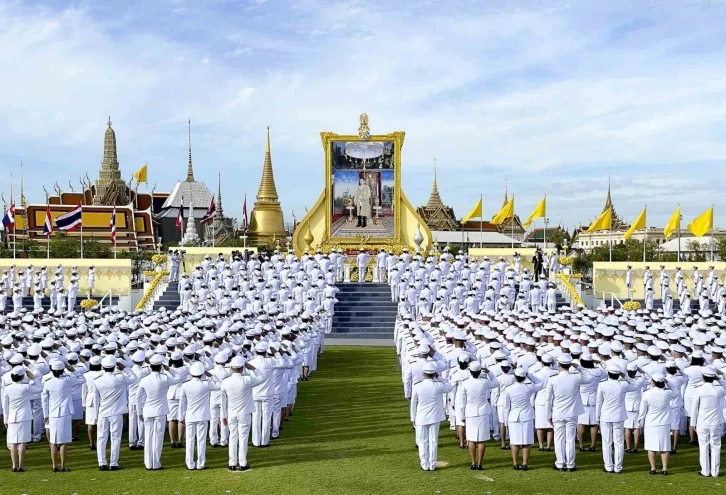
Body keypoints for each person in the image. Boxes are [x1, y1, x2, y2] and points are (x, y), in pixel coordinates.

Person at [546, 354, 597, 472]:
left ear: (559, 365)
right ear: (569, 365)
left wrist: (548, 414)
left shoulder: (553, 379)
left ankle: (560, 463)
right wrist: (578, 367)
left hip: (558, 412)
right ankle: (570, 464)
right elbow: (589, 377)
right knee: (570, 439)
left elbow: (548, 399)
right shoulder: (575, 377)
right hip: (572, 413)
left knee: (559, 439)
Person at [136, 354, 186, 471]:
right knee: (158, 438)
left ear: (150, 366)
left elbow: (138, 397)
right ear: (160, 367)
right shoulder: (164, 378)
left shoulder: (144, 379)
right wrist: (169, 369)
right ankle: (156, 463)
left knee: (148, 437)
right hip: (160, 411)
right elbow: (179, 378)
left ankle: (148, 464)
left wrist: (139, 412)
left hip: (147, 411)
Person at [221, 356, 264, 471]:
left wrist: (224, 415)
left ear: (231, 368)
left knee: (233, 437)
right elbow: (261, 378)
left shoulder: (225, 382)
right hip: (244, 413)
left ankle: (232, 463)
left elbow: (223, 401)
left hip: (231, 413)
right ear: (242, 368)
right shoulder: (247, 380)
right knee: (243, 438)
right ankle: (243, 463)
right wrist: (253, 368)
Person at [596, 362, 639, 474]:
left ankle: (608, 466)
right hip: (618, 416)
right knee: (619, 442)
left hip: (605, 416)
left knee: (607, 442)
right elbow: (634, 385)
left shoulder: (602, 384)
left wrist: (597, 418)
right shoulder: (623, 384)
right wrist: (625, 375)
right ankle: (618, 467)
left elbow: (599, 403)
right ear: (618, 374)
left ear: (608, 373)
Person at [93, 356, 134, 471]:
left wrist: (96, 416)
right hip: (116, 412)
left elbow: (96, 400)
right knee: (115, 438)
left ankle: (102, 463)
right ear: (114, 366)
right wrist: (125, 368)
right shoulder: (120, 377)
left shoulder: (97, 380)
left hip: (102, 412)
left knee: (101, 438)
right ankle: (114, 463)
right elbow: (134, 378)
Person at [455, 361, 498, 470]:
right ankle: (479, 463)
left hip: (470, 413)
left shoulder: (465, 383)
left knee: (472, 439)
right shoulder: (484, 382)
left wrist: (462, 415)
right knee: (481, 440)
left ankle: (473, 462)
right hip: (482, 412)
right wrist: (489, 372)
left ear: (470, 371)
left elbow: (462, 401)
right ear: (479, 371)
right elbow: (496, 382)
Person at [410, 362, 452, 471]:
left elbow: (413, 404)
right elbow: (449, 387)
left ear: (423, 373)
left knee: (422, 441)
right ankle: (432, 464)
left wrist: (413, 418)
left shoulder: (417, 386)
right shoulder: (438, 385)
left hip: (421, 417)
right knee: (433, 441)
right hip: (435, 417)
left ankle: (424, 464)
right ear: (434, 374)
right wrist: (441, 378)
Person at [178, 362, 221, 470]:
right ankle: (201, 464)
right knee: (201, 440)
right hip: (202, 416)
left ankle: (190, 464)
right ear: (202, 373)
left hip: (190, 416)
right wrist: (211, 376)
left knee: (189, 440)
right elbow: (220, 385)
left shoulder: (185, 385)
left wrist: (181, 417)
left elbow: (181, 403)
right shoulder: (206, 384)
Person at [41, 359, 82, 472]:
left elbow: (44, 399)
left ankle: (54, 466)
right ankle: (63, 466)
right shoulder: (68, 379)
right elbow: (82, 379)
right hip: (65, 412)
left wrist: (45, 414)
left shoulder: (48, 381)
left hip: (52, 413)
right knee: (63, 441)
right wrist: (72, 369)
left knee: (53, 441)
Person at [503, 367, 544, 471]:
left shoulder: (509, 388)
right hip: (527, 416)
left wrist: (505, 421)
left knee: (515, 442)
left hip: (513, 417)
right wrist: (528, 375)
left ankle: (515, 463)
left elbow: (506, 407)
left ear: (515, 377)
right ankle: (525, 463)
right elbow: (540, 383)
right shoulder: (528, 387)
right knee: (526, 442)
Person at [638, 372, 677, 475]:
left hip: (651, 422)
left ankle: (653, 468)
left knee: (651, 447)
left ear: (653, 382)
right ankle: (664, 469)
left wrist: (641, 420)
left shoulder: (646, 393)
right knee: (664, 447)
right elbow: (676, 391)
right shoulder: (667, 393)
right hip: (664, 423)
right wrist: (667, 382)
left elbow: (642, 409)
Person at [690, 366, 726, 477]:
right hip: (715, 422)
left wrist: (693, 423)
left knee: (703, 446)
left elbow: (694, 408)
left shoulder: (698, 388)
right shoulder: (719, 389)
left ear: (703, 376)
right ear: (713, 377)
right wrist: (719, 377)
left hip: (702, 422)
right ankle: (715, 472)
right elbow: (725, 383)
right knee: (716, 446)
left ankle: (705, 471)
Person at [2, 366, 38, 472]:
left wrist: (5, 419)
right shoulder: (26, 387)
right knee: (22, 442)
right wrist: (33, 378)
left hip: (12, 417)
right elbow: (39, 388)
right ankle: (21, 466)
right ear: (22, 377)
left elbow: (5, 406)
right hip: (24, 416)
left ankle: (14, 465)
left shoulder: (7, 388)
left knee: (13, 442)